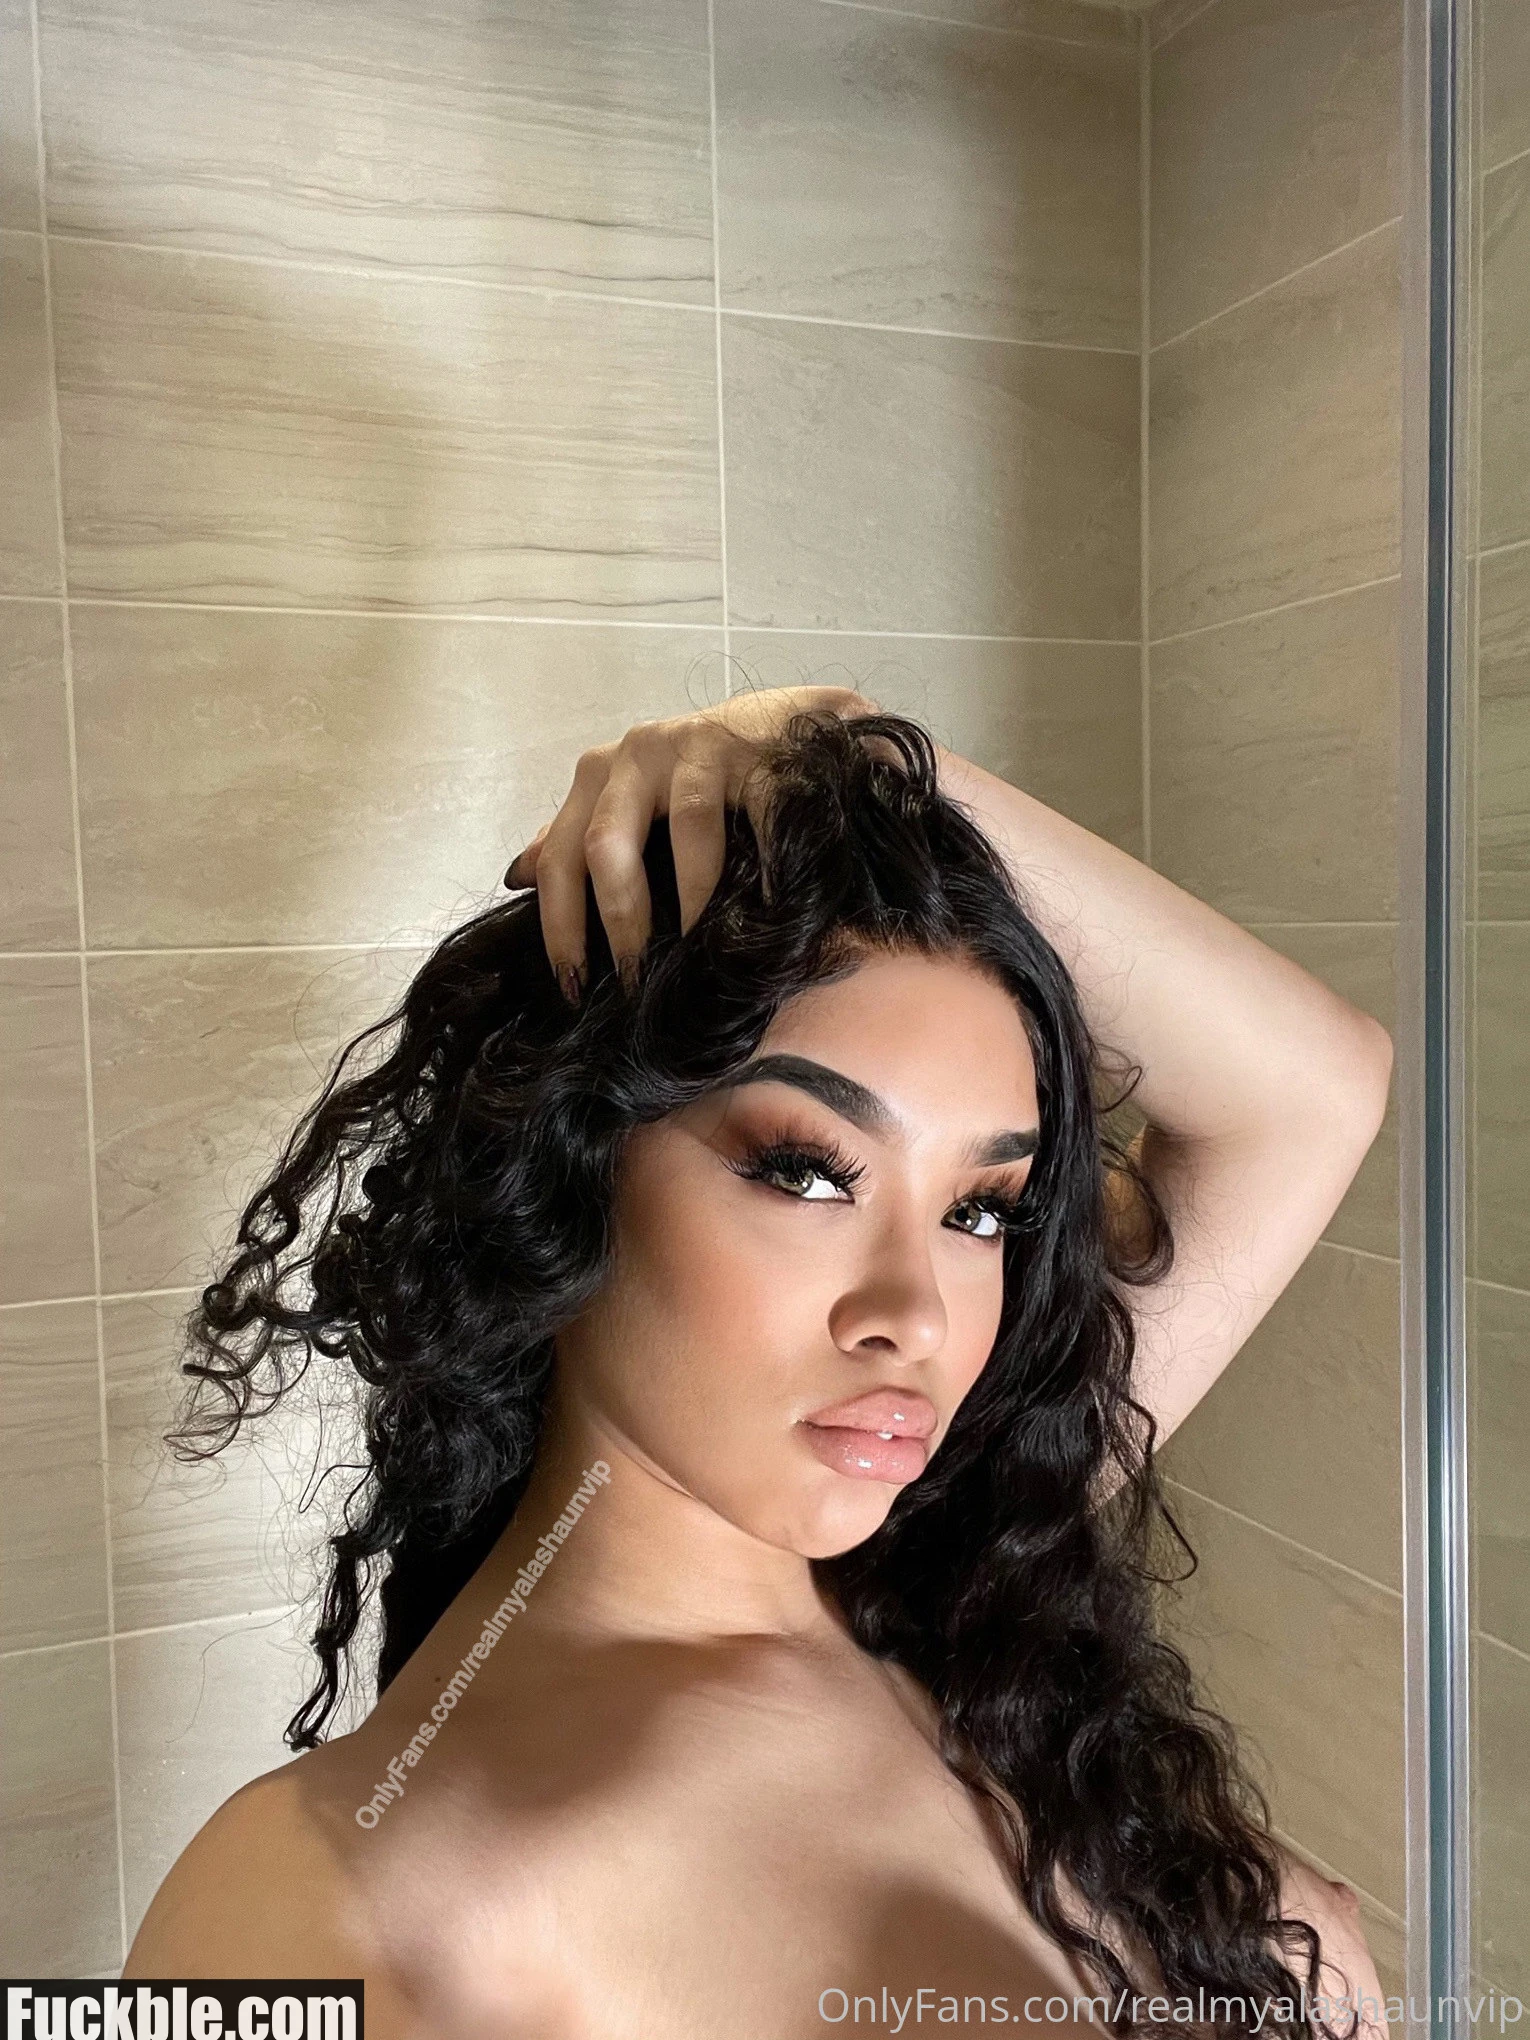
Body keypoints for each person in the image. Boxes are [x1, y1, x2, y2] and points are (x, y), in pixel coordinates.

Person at [124, 687, 1393, 2040]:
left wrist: (847, 751)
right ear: (559, 1183)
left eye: (980, 1211)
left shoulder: (959, 1583)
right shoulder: (314, 1902)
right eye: (806, 1172)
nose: (915, 1315)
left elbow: (1317, 1088)